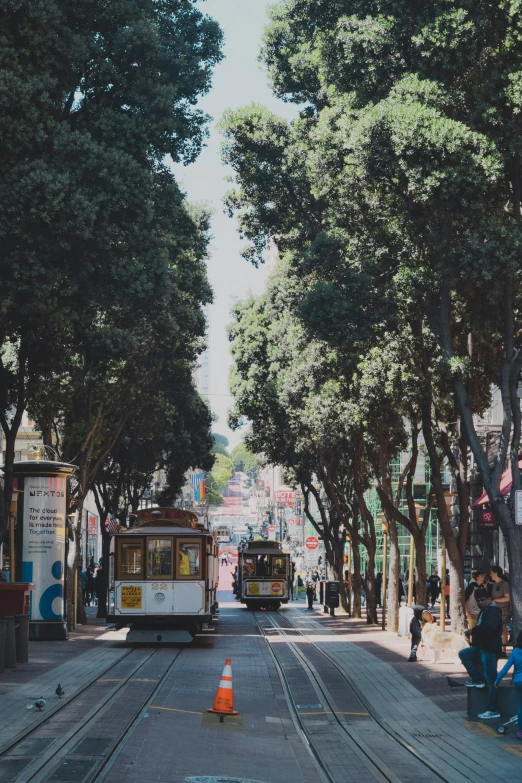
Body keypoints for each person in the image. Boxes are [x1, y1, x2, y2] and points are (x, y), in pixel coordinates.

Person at [458, 588, 502, 719]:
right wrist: (473, 632)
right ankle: (477, 679)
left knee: (491, 680)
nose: (480, 603)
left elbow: (489, 628)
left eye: (483, 600)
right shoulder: (485, 611)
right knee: (464, 654)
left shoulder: (493, 611)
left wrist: (475, 631)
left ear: (490, 599)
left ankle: (492, 709)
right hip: (481, 648)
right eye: (478, 601)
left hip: (490, 650)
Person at [495, 630, 522, 741]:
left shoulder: (515, 652)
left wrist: (497, 679)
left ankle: (520, 730)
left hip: (518, 682)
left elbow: (506, 668)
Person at [490, 566, 510, 651]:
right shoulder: (494, 585)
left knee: (503, 628)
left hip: (503, 610)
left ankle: (503, 649)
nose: (490, 574)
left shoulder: (504, 584)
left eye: (491, 572)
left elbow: (507, 598)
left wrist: (495, 600)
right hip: (495, 610)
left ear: (496, 573)